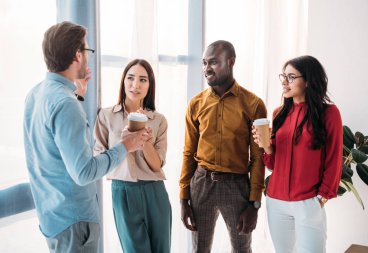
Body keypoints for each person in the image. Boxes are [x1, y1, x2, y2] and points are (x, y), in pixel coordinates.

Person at [23, 21, 149, 253]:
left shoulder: (36, 93)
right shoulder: (65, 104)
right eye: (88, 51)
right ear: (77, 55)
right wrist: (125, 146)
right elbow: (84, 172)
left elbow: (52, 151)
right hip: (75, 223)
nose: (89, 57)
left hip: (54, 218)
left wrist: (77, 96)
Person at [179, 40, 267, 252]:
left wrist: (254, 203)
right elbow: (189, 153)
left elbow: (257, 157)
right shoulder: (196, 104)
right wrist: (183, 198)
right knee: (199, 249)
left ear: (231, 62)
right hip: (201, 185)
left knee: (241, 249)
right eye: (204, 63)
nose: (206, 68)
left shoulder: (253, 104)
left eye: (213, 62)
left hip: (236, 187)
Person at [252, 55, 342, 253]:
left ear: (308, 81)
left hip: (308, 201)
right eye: (283, 76)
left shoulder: (329, 113)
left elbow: (334, 159)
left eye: (291, 77)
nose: (285, 81)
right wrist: (266, 146)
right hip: (276, 202)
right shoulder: (279, 113)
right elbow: (273, 163)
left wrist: (321, 198)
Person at [93, 59, 172, 253]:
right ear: (123, 81)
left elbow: (157, 165)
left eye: (143, 80)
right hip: (123, 192)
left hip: (155, 192)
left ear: (149, 86)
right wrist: (125, 144)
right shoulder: (106, 116)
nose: (135, 85)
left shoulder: (158, 120)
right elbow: (99, 160)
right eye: (130, 78)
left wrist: (144, 141)